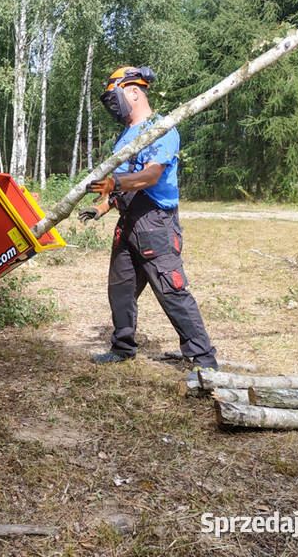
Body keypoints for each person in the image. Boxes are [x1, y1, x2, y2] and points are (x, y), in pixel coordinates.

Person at [78, 65, 218, 370]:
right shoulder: (125, 136)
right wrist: (101, 207)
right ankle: (123, 347)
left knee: (172, 291)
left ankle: (204, 360)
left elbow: (150, 176)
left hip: (156, 223)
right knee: (120, 289)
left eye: (115, 98)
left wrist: (115, 184)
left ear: (132, 92)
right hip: (129, 224)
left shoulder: (160, 128)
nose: (112, 107)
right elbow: (121, 186)